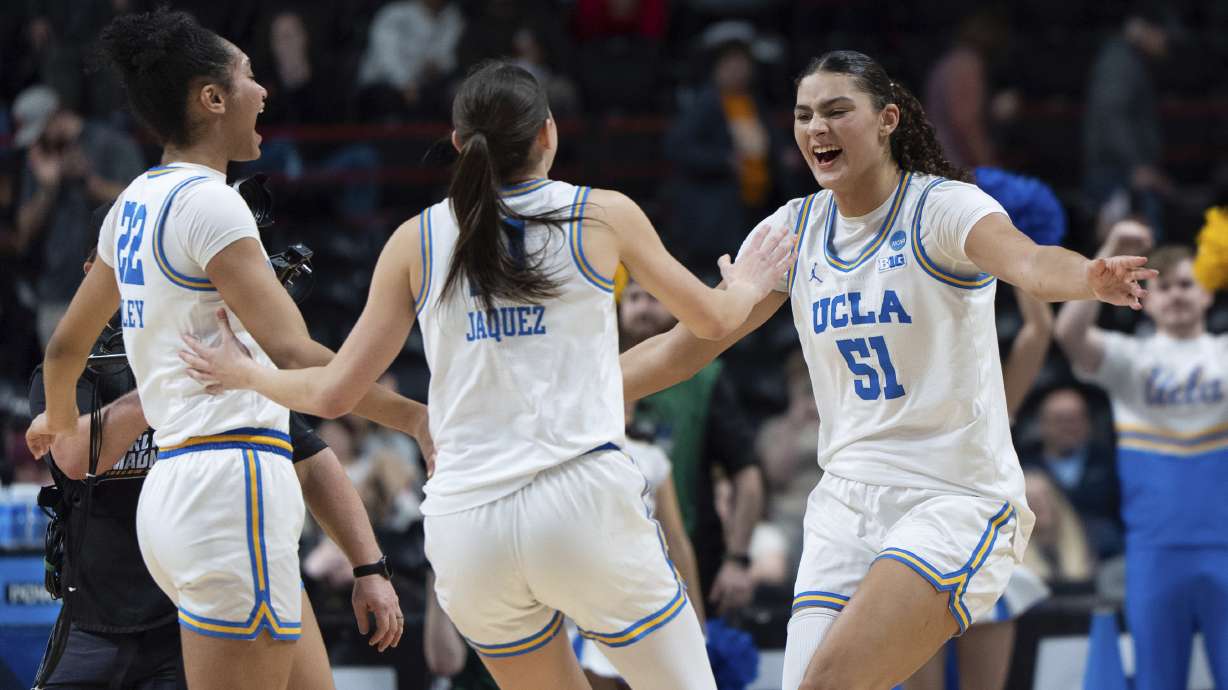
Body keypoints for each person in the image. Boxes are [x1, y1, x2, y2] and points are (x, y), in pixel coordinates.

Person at [178, 60, 791, 690]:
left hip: (468, 525)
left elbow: (333, 392)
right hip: (579, 503)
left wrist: (244, 374)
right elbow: (713, 322)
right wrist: (745, 286)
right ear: (548, 134)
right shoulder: (600, 215)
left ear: (457, 145)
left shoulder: (414, 239)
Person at [617, 49, 1154, 689]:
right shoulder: (794, 228)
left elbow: (1031, 263)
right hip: (844, 500)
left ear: (887, 119)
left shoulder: (944, 208)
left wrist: (1090, 277)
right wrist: (570, 392)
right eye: (804, 114)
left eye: (838, 111)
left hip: (952, 495)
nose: (818, 127)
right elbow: (690, 344)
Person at [26, 9, 429, 690]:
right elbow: (297, 354)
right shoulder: (211, 204)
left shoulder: (130, 203)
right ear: (211, 99)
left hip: (185, 495)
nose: (263, 90)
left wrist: (59, 419)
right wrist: (414, 418)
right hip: (228, 486)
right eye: (247, 75)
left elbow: (64, 347)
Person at [25, 246, 402, 689]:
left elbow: (314, 464)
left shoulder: (226, 366)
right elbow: (74, 459)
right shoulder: (76, 368)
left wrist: (369, 568)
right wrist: (168, 380)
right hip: (96, 618)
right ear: (94, 274)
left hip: (194, 611)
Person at [1055, 219, 1228, 690]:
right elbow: (1068, 333)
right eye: (1164, 286)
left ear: (1208, 293)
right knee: (1156, 681)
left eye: (1187, 285)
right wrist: (1107, 253)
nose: (1175, 294)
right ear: (1145, 299)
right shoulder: (1130, 359)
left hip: (1224, 548)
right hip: (1154, 552)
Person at [619, 278, 763, 616]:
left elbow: (747, 472)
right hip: (612, 554)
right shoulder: (598, 368)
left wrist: (738, 559)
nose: (642, 307)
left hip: (692, 550)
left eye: (653, 297)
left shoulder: (705, 379)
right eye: (634, 297)